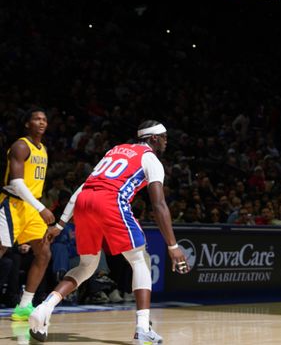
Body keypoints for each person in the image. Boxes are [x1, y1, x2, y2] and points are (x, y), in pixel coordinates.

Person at [28, 120, 190, 344]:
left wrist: (61, 224)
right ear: (154, 139)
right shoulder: (151, 158)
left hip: (85, 202)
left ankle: (44, 308)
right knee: (140, 260)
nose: (166, 141)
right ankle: (143, 329)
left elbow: (83, 187)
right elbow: (159, 205)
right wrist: (173, 246)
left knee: (87, 265)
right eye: (163, 137)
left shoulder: (115, 150)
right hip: (110, 202)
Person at [0, 108, 55, 321]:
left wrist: (38, 207)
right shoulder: (21, 145)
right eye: (37, 119)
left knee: (44, 252)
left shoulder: (43, 149)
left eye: (44, 119)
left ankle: (24, 306)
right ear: (27, 124)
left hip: (31, 208)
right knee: (2, 249)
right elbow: (16, 182)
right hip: (12, 204)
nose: (41, 122)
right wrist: (41, 208)